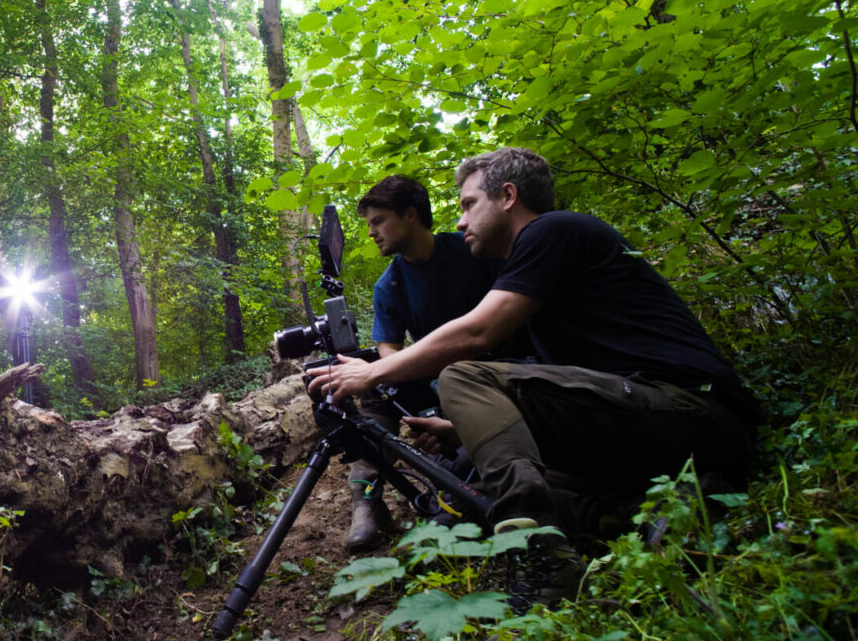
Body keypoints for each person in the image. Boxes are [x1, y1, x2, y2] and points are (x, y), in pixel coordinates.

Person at [309, 148, 756, 608]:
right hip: (635, 417)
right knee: (477, 494)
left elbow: (479, 333)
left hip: (690, 406)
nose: (460, 222)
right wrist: (458, 429)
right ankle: (649, 510)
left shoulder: (554, 230)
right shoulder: (513, 267)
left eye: (467, 205)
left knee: (461, 377)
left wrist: (374, 371)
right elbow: (557, 386)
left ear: (507, 196)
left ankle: (544, 557)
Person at [343, 174, 520, 552]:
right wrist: (409, 401)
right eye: (369, 224)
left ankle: (466, 478)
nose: (372, 232)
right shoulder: (388, 285)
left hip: (497, 369)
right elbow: (387, 348)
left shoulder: (473, 251)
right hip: (434, 375)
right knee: (375, 395)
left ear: (410, 215)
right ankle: (366, 498)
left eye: (378, 221)